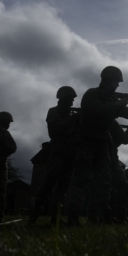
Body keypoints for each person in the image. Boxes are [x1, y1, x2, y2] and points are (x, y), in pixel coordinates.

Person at [66, 66, 128, 225]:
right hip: (86, 139)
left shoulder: (112, 99)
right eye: (116, 82)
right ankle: (73, 218)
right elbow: (97, 111)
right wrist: (118, 103)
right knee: (81, 178)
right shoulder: (92, 94)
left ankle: (100, 217)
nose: (117, 85)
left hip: (102, 142)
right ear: (107, 81)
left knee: (104, 182)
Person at [28, 86, 80, 225]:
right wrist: (74, 118)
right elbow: (57, 127)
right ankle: (33, 217)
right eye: (70, 98)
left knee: (62, 187)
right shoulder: (53, 112)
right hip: (57, 154)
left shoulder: (70, 115)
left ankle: (55, 218)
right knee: (48, 184)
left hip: (69, 155)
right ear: (63, 98)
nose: (72, 101)